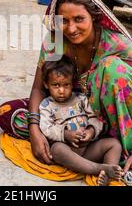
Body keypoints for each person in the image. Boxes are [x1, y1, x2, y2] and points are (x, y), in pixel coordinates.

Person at [0, 0, 132, 178]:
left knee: (112, 69)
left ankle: (114, 148)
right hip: (68, 112)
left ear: (94, 16)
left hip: (107, 118)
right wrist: (34, 130)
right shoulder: (56, 40)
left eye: (79, 19)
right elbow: (39, 90)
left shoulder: (116, 44)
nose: (71, 28)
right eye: (64, 21)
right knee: (7, 113)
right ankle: (83, 149)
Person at [39, 56, 122, 186]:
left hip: (88, 148)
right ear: (46, 84)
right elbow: (46, 128)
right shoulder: (46, 105)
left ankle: (107, 173)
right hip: (69, 151)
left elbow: (95, 117)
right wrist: (66, 134)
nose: (61, 91)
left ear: (73, 83)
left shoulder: (81, 99)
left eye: (66, 85)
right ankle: (98, 168)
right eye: (55, 85)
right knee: (56, 150)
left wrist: (91, 131)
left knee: (114, 144)